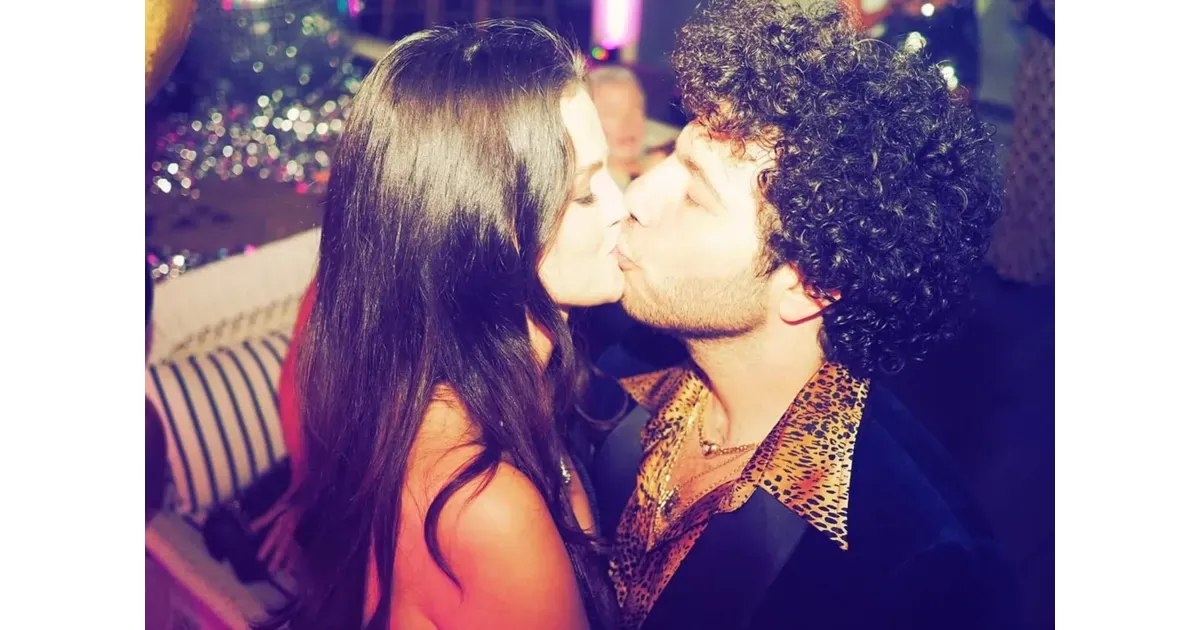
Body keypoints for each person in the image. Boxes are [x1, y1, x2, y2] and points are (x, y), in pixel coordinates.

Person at [591, 1, 1017, 628]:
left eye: (696, 195)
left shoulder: (908, 568)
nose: (640, 196)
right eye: (672, 159)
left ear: (809, 286)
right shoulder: (616, 370)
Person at [267, 21, 627, 629]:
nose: (623, 205)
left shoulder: (454, 396)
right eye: (587, 192)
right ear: (489, 229)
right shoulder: (485, 505)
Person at [585, 65, 671, 190]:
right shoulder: (586, 186)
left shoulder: (664, 146)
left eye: (635, 111)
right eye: (612, 113)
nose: (627, 124)